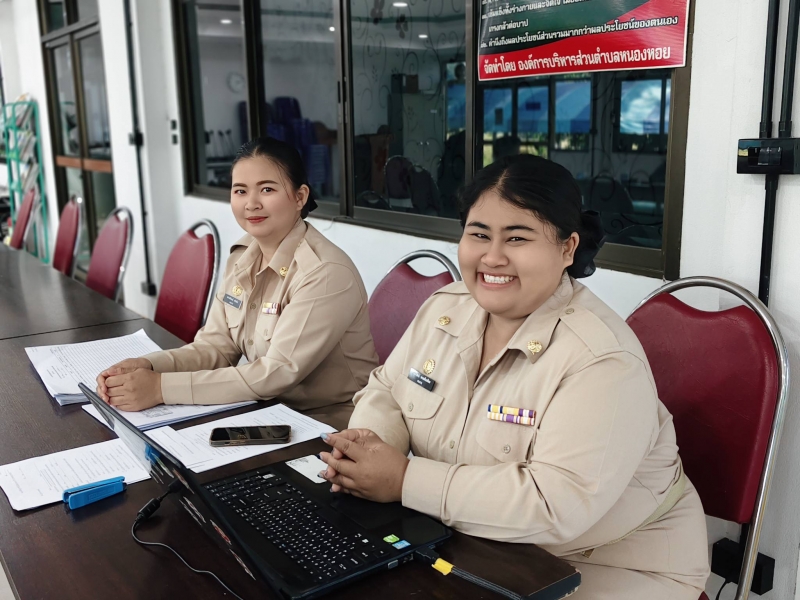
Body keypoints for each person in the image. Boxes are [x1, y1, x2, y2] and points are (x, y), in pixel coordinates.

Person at [317, 154, 710, 599]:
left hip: (606, 563)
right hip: (472, 541)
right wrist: (369, 449)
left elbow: (554, 504)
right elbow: (388, 388)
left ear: (567, 248)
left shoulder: (602, 360)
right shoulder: (445, 308)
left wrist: (404, 480)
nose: (492, 256)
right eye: (478, 234)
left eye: (517, 238)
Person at [96, 137, 378, 430]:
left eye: (267, 189)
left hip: (331, 426)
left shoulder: (324, 273)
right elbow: (216, 347)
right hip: (268, 411)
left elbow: (276, 373)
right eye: (240, 191)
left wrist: (159, 388)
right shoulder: (242, 257)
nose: (251, 204)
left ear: (300, 197)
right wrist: (150, 366)